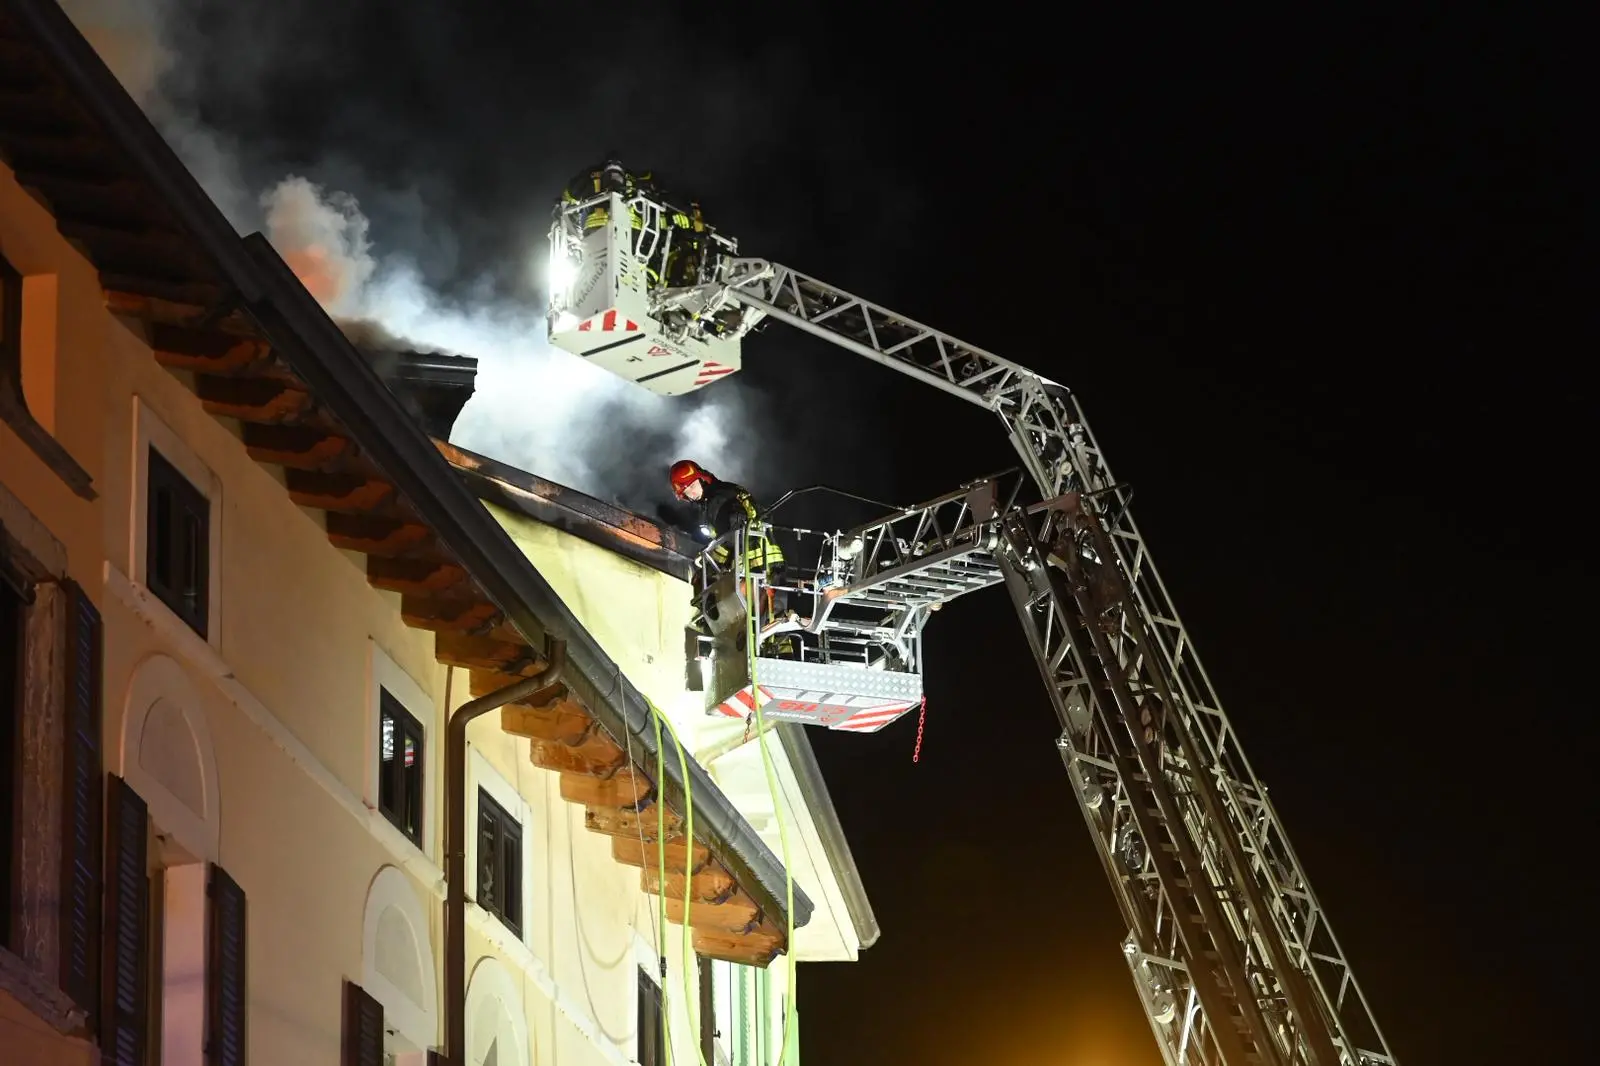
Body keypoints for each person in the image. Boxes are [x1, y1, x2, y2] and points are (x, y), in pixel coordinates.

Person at [670, 459, 797, 654]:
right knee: (774, 617)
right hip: (768, 561)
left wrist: (710, 565)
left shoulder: (718, 500)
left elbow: (731, 535)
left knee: (760, 617)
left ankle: (761, 655)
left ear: (702, 479)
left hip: (756, 563)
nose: (692, 494)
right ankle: (784, 657)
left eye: (693, 486)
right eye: (687, 492)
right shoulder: (726, 493)